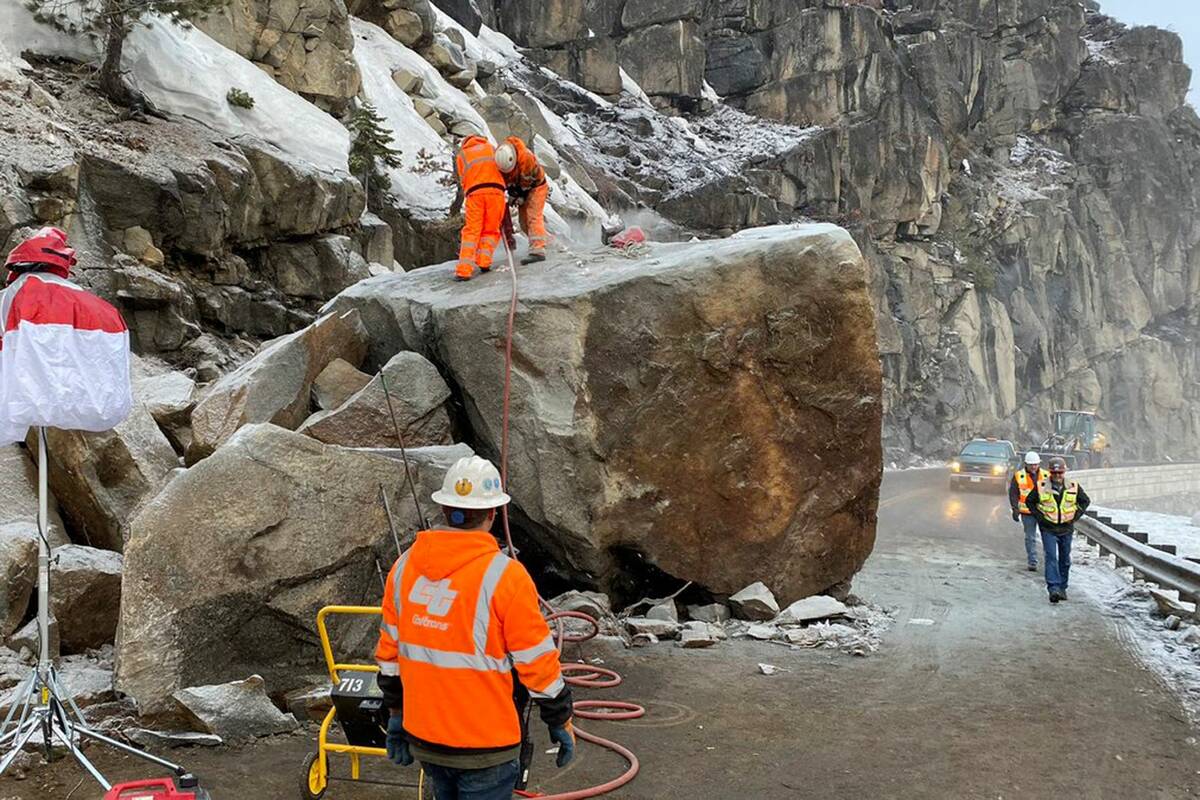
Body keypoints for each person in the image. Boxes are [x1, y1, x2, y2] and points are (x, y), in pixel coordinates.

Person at [375, 456, 575, 800]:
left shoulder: (404, 567)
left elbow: (389, 656)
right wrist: (559, 719)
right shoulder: (506, 576)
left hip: (426, 739)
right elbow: (537, 662)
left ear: (444, 510)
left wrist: (395, 714)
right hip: (486, 745)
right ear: (494, 514)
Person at [1026, 456, 1090, 604]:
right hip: (1048, 528)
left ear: (1064, 472)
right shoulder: (1041, 486)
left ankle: (1062, 587)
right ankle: (1053, 588)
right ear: (1050, 473)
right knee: (1051, 557)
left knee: (1065, 559)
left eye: (1060, 473)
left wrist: (1075, 516)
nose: (1057, 476)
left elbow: (1085, 501)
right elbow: (1030, 501)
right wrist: (1040, 518)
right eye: (1054, 473)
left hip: (1066, 528)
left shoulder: (1073, 486)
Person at [451, 133, 509, 281]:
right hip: (496, 192)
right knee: (491, 229)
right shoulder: (492, 148)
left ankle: (464, 270)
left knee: (472, 230)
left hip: (475, 194)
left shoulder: (462, 155)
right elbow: (504, 167)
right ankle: (484, 261)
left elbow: (463, 178)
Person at [495, 137, 548, 264]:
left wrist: (519, 196)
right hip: (521, 188)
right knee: (523, 222)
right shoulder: (501, 156)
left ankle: (538, 250)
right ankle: (548, 242)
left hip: (536, 186)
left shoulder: (526, 159)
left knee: (533, 216)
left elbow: (527, 181)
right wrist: (512, 192)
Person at [1008, 451, 1047, 572]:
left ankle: (1049, 561)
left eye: (1035, 464)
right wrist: (1015, 508)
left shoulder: (1047, 476)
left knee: (1047, 537)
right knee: (1030, 537)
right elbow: (1013, 493)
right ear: (1026, 464)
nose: (1034, 467)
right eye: (1031, 465)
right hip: (1027, 513)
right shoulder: (1019, 476)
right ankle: (1032, 561)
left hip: (1043, 512)